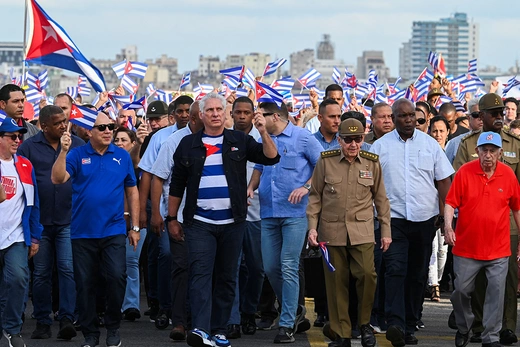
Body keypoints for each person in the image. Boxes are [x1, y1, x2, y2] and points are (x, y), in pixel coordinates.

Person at [167, 93, 279, 347]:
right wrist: (171, 218)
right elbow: (177, 184)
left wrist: (263, 132)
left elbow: (271, 157)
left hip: (233, 223)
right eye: (211, 110)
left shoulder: (240, 140)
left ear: (225, 113)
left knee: (227, 277)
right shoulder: (188, 144)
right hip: (198, 222)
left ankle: (219, 330)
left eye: (220, 109)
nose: (216, 113)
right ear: (202, 115)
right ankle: (200, 329)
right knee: (200, 275)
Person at [51, 112, 140, 347]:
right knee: (85, 284)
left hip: (113, 230)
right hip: (82, 232)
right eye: (102, 128)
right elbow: (58, 178)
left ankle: (112, 326)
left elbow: (132, 191)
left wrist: (135, 227)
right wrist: (63, 151)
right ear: (89, 132)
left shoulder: (121, 156)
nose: (109, 131)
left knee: (116, 277)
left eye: (110, 126)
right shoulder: (77, 154)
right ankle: (90, 334)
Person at [370, 98, 454, 346]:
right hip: (392, 219)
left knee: (417, 274)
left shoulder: (430, 145)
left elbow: (443, 181)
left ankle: (409, 323)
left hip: (425, 219)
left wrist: (443, 214)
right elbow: (370, 183)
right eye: (403, 116)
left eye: (413, 118)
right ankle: (394, 322)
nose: (409, 121)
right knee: (395, 269)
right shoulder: (380, 147)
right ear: (394, 118)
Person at [307, 118, 392, 347]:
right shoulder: (326, 162)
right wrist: (312, 228)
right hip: (331, 231)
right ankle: (342, 333)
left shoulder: (371, 162)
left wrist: (385, 231)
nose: (353, 144)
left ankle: (364, 324)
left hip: (362, 230)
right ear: (339, 140)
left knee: (367, 275)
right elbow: (315, 196)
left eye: (358, 139)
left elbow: (381, 199)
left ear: (363, 139)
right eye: (348, 140)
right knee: (336, 282)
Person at [248, 101, 322, 344]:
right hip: (269, 212)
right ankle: (295, 309)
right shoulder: (265, 138)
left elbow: (322, 165)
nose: (258, 119)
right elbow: (259, 166)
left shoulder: (302, 137)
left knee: (288, 265)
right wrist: (250, 187)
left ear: (276, 117)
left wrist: (306, 187)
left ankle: (287, 322)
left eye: (262, 115)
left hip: (295, 214)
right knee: (270, 267)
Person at [453, 93, 520, 345]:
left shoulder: (514, 144)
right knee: (475, 282)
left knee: (507, 280)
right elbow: (459, 180)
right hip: (474, 225)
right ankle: (478, 324)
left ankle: (506, 327)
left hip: (508, 223)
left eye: (502, 112)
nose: (500, 117)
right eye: (494, 113)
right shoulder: (468, 145)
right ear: (481, 116)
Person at [17, 105, 84, 341]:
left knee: (67, 269)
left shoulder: (76, 145)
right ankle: (43, 321)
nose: (63, 126)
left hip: (69, 218)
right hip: (41, 221)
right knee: (42, 272)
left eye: (64, 121)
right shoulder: (28, 147)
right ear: (43, 126)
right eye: (57, 123)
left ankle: (67, 318)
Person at [150, 101, 203, 341]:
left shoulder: (223, 140)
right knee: (181, 268)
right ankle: (179, 321)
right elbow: (158, 178)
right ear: (194, 118)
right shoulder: (173, 142)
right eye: (205, 115)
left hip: (213, 219)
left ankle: (204, 322)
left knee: (205, 271)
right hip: (181, 217)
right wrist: (160, 215)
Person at [142, 96, 193, 327]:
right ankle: (164, 307)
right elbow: (150, 176)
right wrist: (150, 212)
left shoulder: (205, 136)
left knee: (191, 262)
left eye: (187, 111)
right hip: (165, 212)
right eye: (180, 111)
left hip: (195, 215)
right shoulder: (160, 138)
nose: (184, 115)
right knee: (167, 256)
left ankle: (188, 310)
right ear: (173, 114)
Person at [0, 117, 42, 347]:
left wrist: (34, 236)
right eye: (12, 136)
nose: (18, 140)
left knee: (18, 278)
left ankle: (13, 329)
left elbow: (34, 203)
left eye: (19, 136)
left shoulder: (25, 164)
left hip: (16, 236)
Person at [445, 98, 482, 164]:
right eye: (476, 115)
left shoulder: (497, 140)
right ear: (468, 118)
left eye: (483, 114)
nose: (480, 118)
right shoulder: (455, 143)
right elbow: (445, 170)